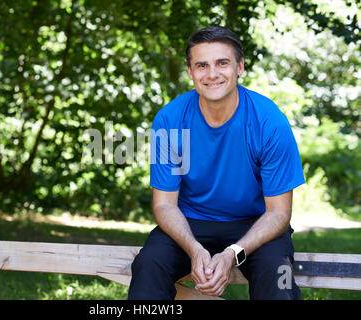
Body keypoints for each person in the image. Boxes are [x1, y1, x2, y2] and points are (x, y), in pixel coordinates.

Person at [128, 26, 305, 300]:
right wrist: (195, 249)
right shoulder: (170, 120)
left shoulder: (269, 121)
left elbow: (279, 214)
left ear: (240, 67)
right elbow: (164, 204)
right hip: (190, 222)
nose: (212, 74)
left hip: (255, 223)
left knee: (277, 271)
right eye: (201, 65)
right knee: (148, 263)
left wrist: (233, 253)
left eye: (222, 63)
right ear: (190, 72)